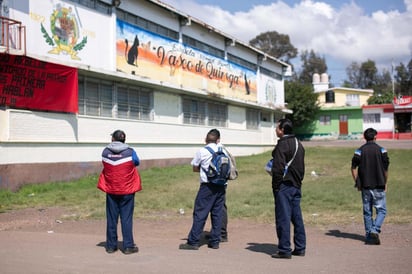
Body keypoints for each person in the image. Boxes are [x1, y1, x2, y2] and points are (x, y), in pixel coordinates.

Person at [179, 129, 227, 250]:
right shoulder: (223, 151)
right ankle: (215, 241)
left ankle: (193, 241)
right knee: (217, 213)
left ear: (205, 139)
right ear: (218, 140)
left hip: (207, 186)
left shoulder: (202, 151)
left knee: (200, 212)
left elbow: (195, 167)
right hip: (221, 185)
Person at [97, 130, 142, 254]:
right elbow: (136, 162)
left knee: (111, 218)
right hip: (127, 190)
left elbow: (105, 164)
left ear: (113, 139)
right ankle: (128, 246)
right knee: (126, 218)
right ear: (124, 139)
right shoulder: (130, 152)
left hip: (111, 189)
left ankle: (111, 246)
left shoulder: (105, 152)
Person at [270, 118, 306, 259]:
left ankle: (284, 249)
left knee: (283, 218)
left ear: (282, 130)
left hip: (284, 186)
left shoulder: (282, 145)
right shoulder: (299, 143)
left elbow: (278, 168)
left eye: (277, 127)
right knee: (297, 218)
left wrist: (276, 186)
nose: (275, 129)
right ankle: (300, 247)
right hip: (296, 185)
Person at [351, 128, 389, 245]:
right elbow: (386, 169)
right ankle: (374, 230)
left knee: (367, 211)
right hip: (379, 184)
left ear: (365, 138)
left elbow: (353, 168)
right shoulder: (382, 150)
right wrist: (385, 182)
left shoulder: (359, 151)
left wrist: (357, 182)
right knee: (381, 210)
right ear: (375, 137)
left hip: (365, 186)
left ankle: (369, 236)